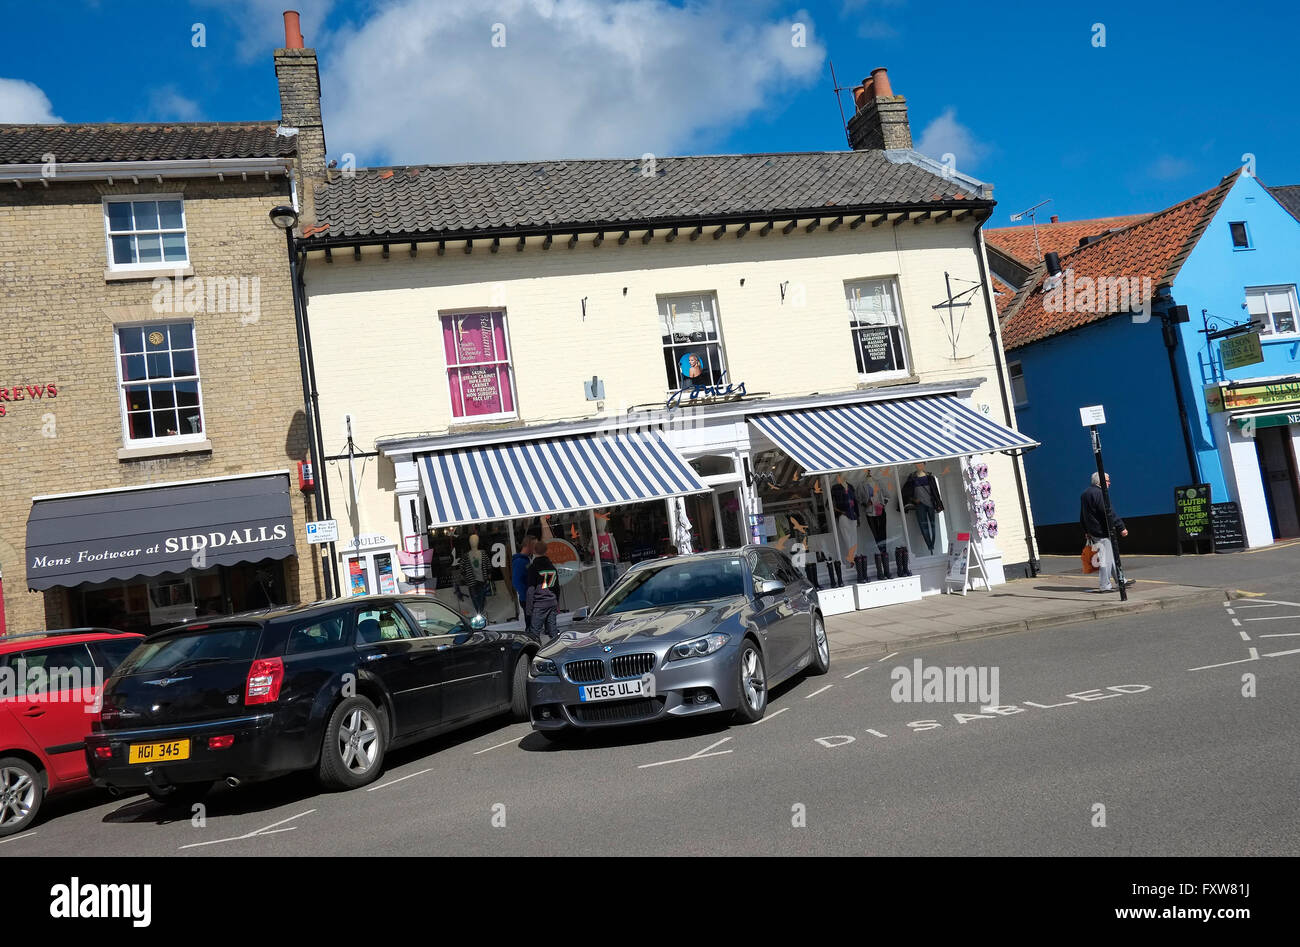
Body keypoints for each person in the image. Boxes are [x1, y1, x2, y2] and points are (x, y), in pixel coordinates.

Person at [1080, 472, 1133, 593]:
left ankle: (1121, 580)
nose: (1109, 483)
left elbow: (1083, 515)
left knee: (1110, 557)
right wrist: (1121, 527)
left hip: (1093, 531)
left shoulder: (1085, 494)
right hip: (1102, 531)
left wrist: (1086, 530)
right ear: (1100, 481)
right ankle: (1104, 585)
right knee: (1106, 559)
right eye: (1107, 480)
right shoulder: (1099, 493)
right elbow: (1108, 512)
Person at [526, 546, 560, 643]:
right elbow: (557, 588)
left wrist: (529, 609)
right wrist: (557, 603)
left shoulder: (533, 568)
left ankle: (536, 654)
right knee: (553, 631)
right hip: (552, 603)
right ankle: (556, 651)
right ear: (546, 551)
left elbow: (530, 590)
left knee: (534, 633)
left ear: (534, 551)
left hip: (540, 604)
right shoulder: (552, 567)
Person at [511, 536, 534, 628]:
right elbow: (516, 581)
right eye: (534, 545)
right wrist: (527, 595)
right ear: (528, 545)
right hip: (527, 599)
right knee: (532, 625)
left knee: (533, 624)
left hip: (529, 597)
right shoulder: (520, 562)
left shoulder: (526, 560)